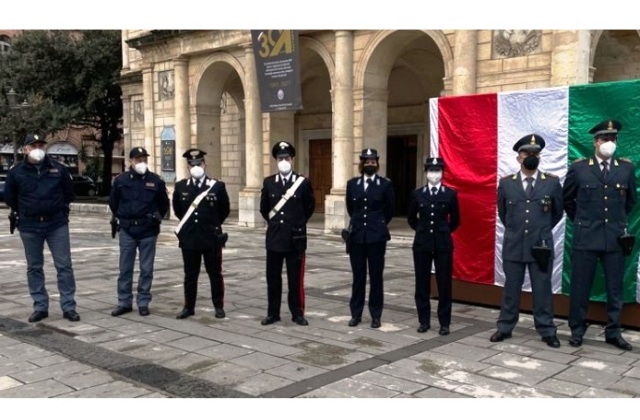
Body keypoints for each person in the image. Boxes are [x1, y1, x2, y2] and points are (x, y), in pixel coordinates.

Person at [563, 120, 636, 350]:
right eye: (605, 138)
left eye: (613, 139)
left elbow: (630, 201)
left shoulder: (625, 168)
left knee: (615, 287)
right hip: (586, 235)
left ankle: (613, 331)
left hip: (614, 237)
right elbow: (567, 200)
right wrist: (583, 222)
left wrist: (616, 222)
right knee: (580, 286)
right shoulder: (580, 168)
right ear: (595, 141)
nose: (609, 143)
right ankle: (576, 329)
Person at [490, 134, 563, 348]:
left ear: (539, 157)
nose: (530, 156)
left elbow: (557, 213)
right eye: (526, 153)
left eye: (534, 153)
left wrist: (540, 230)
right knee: (511, 290)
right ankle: (504, 327)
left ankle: (547, 330)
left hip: (541, 246)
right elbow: (504, 214)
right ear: (518, 158)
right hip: (514, 244)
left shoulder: (551, 182)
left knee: (542, 290)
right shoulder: (506, 184)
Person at [4, 133, 80, 323]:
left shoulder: (58, 169)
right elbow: (10, 198)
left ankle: (68, 306)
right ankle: (40, 306)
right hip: (30, 225)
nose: (37, 148)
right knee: (34, 267)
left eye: (40, 145)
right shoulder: (16, 172)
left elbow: (69, 194)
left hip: (56, 224)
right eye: (33, 145)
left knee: (64, 266)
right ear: (25, 149)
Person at [259, 141, 315, 326]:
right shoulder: (269, 183)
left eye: (287, 158)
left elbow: (309, 207)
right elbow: (264, 209)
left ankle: (297, 313)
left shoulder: (303, 183)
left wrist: (296, 223)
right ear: (276, 160)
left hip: (295, 239)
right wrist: (276, 225)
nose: (284, 161)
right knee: (273, 279)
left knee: (295, 279)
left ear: (292, 160)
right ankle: (273, 313)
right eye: (280, 158)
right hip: (275, 238)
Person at [109, 147, 169, 317]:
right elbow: (114, 203)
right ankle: (124, 302)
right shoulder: (120, 180)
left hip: (148, 230)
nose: (142, 162)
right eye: (138, 159)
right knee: (125, 268)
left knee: (146, 269)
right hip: (127, 229)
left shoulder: (156, 181)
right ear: (130, 162)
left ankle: (143, 302)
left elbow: (163, 204)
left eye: (144, 159)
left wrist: (155, 218)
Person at [173, 148, 230, 320]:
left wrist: (211, 225)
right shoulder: (181, 186)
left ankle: (218, 306)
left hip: (211, 238)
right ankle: (188, 307)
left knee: (215, 273)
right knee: (190, 275)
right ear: (188, 167)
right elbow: (178, 211)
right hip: (190, 238)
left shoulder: (217, 186)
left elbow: (224, 210)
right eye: (192, 164)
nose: (195, 166)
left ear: (204, 164)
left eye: (199, 163)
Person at [407, 157, 460, 335]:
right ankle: (424, 321)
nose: (434, 174)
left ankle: (444, 322)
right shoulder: (418, 194)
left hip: (443, 244)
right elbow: (411, 219)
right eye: (431, 170)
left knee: (444, 284)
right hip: (422, 244)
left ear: (442, 173)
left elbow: (456, 221)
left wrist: (443, 231)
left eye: (437, 171)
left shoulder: (450, 194)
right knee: (421, 284)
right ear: (426, 172)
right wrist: (422, 231)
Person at [346, 148, 395, 328]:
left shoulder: (385, 184)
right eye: (367, 161)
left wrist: (378, 224)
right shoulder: (352, 184)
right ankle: (356, 314)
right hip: (358, 236)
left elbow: (389, 209)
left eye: (373, 162)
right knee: (358, 276)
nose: (370, 164)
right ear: (362, 163)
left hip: (376, 237)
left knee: (376, 277)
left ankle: (376, 315)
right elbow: (351, 208)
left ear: (377, 164)